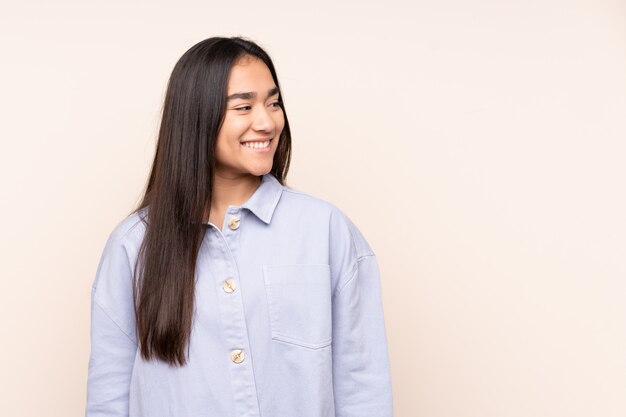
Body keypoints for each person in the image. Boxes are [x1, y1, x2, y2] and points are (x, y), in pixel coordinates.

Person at [85, 36, 393, 417]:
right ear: (196, 118)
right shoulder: (134, 246)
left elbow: (363, 389)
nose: (266, 122)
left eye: (273, 103)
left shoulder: (326, 230)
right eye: (244, 106)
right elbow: (109, 399)